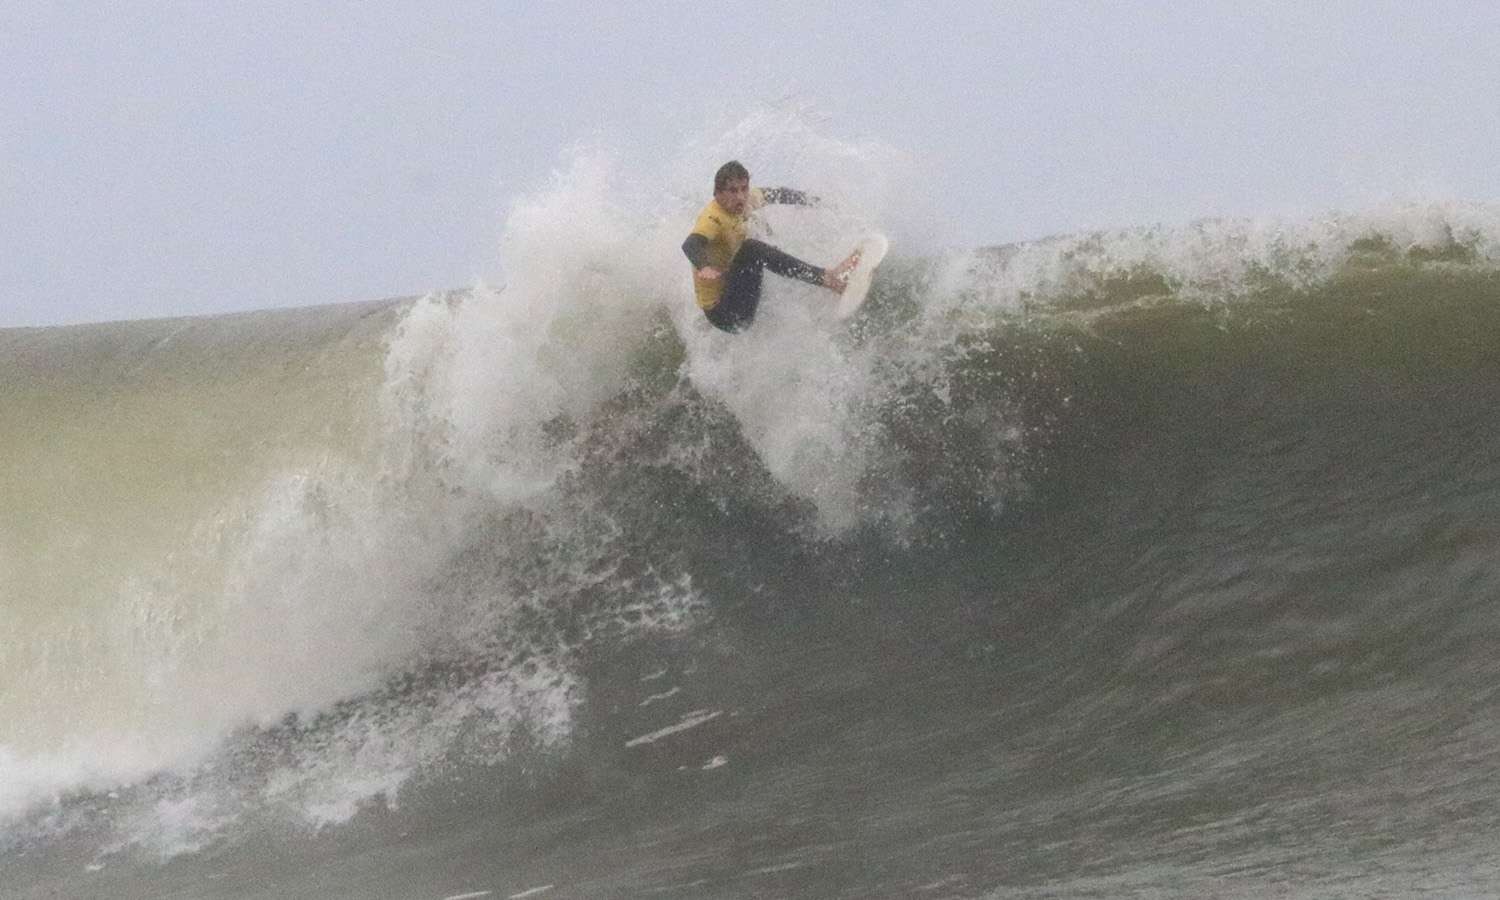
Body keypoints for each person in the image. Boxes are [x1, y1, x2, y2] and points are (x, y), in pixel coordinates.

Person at [682, 160, 859, 332]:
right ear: (717, 193)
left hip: (736, 289)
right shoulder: (712, 218)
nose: (740, 197)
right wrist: (703, 266)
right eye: (733, 191)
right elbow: (691, 244)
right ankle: (830, 279)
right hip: (725, 315)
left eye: (744, 189)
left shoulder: (746, 201)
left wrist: (816, 201)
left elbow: (779, 194)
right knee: (751, 248)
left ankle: (812, 289)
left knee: (761, 227)